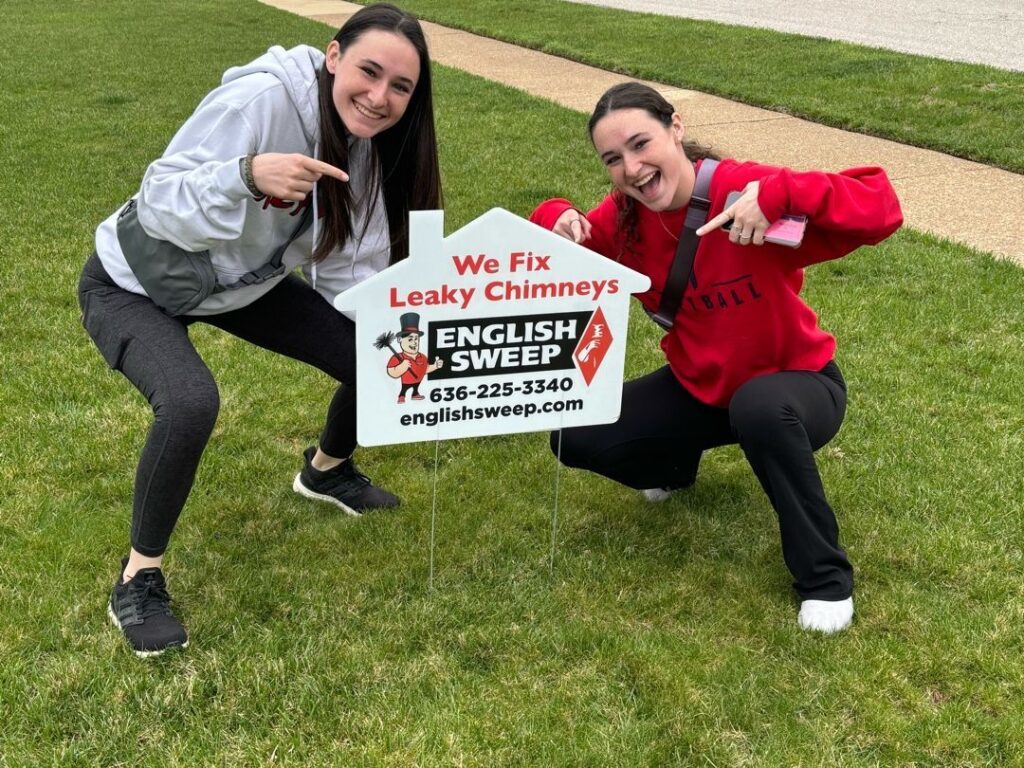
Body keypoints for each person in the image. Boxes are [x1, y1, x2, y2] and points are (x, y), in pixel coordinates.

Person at [77, 3, 442, 657]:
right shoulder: (264, 98)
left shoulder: (367, 147)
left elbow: (349, 266)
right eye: (369, 71)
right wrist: (245, 176)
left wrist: (401, 336)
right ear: (334, 56)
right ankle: (139, 577)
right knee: (190, 401)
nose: (380, 96)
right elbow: (159, 197)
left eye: (401, 87)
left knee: (378, 358)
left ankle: (326, 472)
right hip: (136, 280)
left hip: (243, 287)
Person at [531, 82, 902, 634]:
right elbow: (550, 259)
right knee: (571, 433)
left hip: (798, 385)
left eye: (641, 144)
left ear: (675, 127)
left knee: (758, 406)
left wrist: (779, 195)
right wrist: (554, 214)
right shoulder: (624, 220)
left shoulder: (740, 190)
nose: (632, 168)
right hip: (701, 389)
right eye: (613, 159)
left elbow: (881, 205)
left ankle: (825, 580)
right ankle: (676, 468)